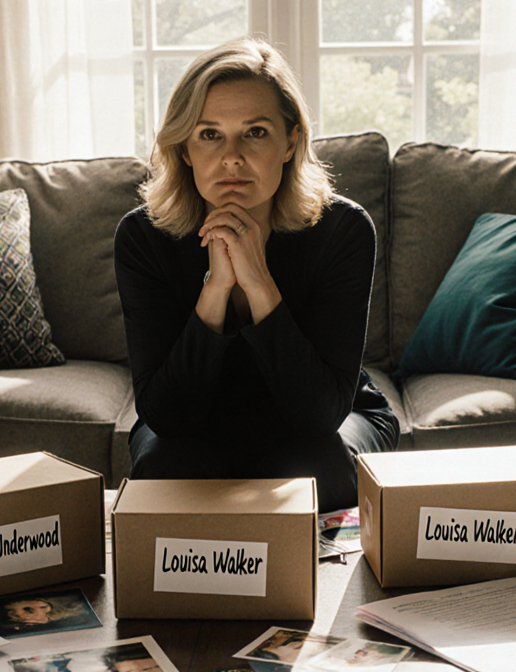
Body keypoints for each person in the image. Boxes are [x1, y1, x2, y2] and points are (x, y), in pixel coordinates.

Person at [113, 36, 397, 512]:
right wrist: (217, 288)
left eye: (255, 132)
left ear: (291, 141)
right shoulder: (144, 237)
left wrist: (259, 282)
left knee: (319, 470)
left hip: (325, 410)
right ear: (184, 148)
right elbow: (166, 413)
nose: (232, 158)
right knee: (162, 472)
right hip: (195, 419)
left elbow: (321, 413)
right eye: (209, 134)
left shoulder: (343, 230)